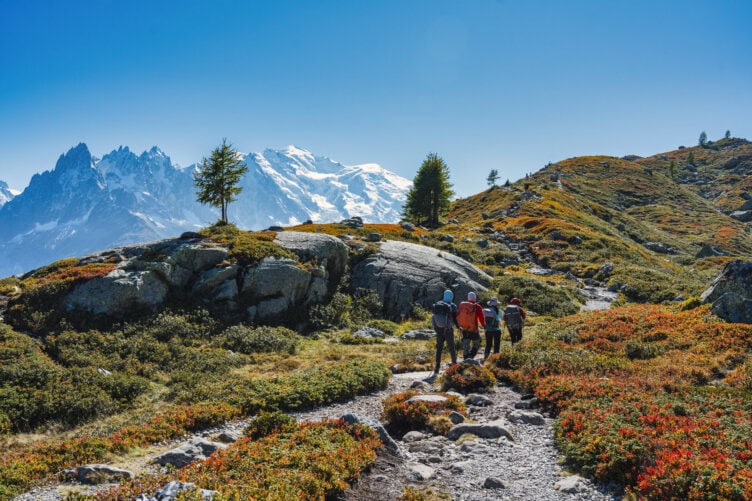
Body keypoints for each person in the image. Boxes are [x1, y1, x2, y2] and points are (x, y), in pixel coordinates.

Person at [429, 290, 459, 378]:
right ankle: (454, 365)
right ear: (451, 296)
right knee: (451, 347)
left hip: (439, 330)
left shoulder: (438, 304)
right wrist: (458, 327)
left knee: (439, 348)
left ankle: (437, 369)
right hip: (448, 330)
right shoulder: (452, 305)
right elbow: (454, 318)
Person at [457, 291, 486, 361]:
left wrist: (459, 325)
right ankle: (471, 356)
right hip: (474, 329)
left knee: (466, 344)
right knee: (477, 342)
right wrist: (484, 325)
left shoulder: (463, 306)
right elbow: (481, 318)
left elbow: (458, 316)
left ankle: (465, 358)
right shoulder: (477, 306)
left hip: (464, 328)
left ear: (468, 298)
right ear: (475, 298)